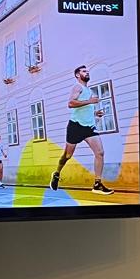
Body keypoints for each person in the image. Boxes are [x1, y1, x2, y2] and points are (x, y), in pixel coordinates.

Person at [49, 64, 113, 195]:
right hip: (76, 126)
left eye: (87, 71)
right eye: (84, 71)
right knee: (67, 156)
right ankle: (56, 173)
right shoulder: (77, 87)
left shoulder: (88, 90)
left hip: (89, 128)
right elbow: (71, 103)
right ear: (78, 75)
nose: (87, 73)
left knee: (100, 153)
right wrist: (90, 102)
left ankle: (97, 184)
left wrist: (95, 113)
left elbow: (84, 109)